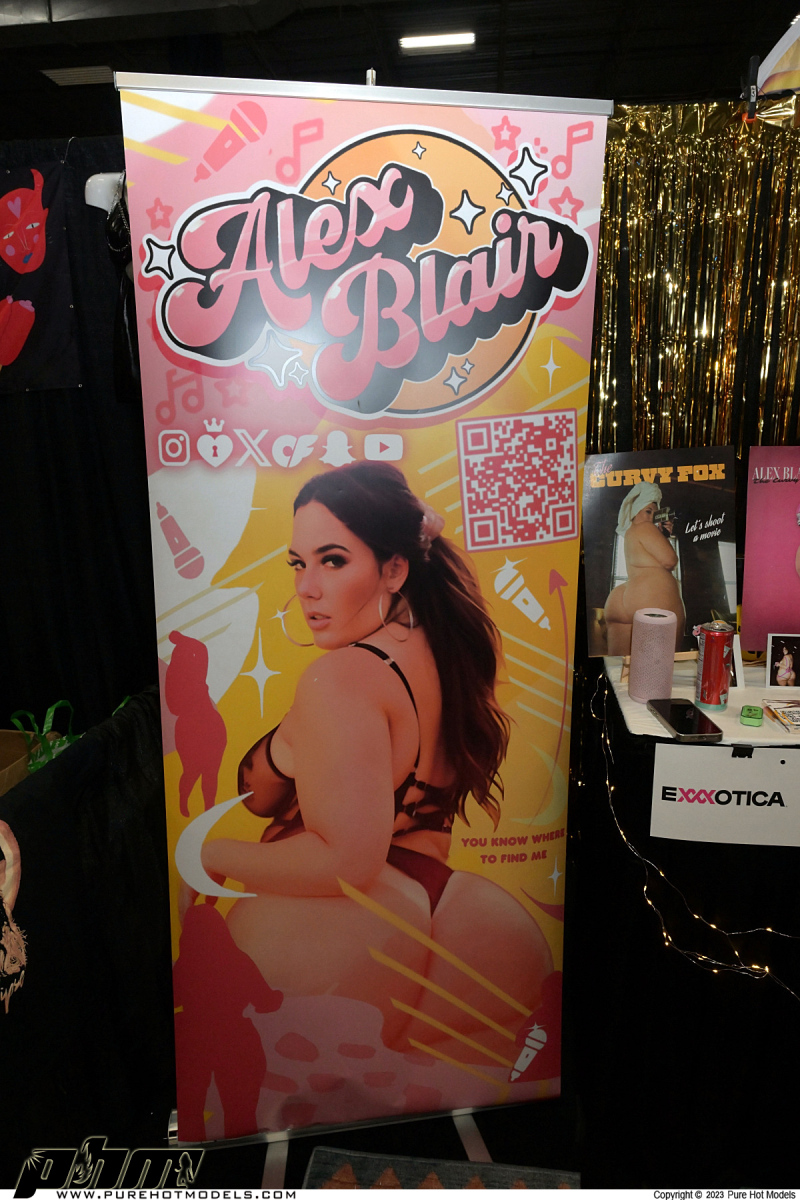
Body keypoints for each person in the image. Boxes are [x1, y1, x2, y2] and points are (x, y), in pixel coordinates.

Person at [196, 462, 553, 1064]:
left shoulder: (342, 677)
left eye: (333, 561)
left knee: (272, 1105)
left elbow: (348, 860)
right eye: (298, 563)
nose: (307, 587)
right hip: (477, 925)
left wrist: (212, 855)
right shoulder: (441, 649)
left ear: (394, 568)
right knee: (456, 1114)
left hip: (342, 926)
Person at [603, 481, 685, 656]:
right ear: (635, 511)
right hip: (650, 599)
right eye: (648, 511)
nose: (651, 517)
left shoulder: (631, 533)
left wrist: (663, 535)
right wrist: (664, 537)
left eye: (655, 513)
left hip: (621, 599)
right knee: (659, 665)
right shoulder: (645, 527)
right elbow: (670, 560)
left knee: (620, 665)